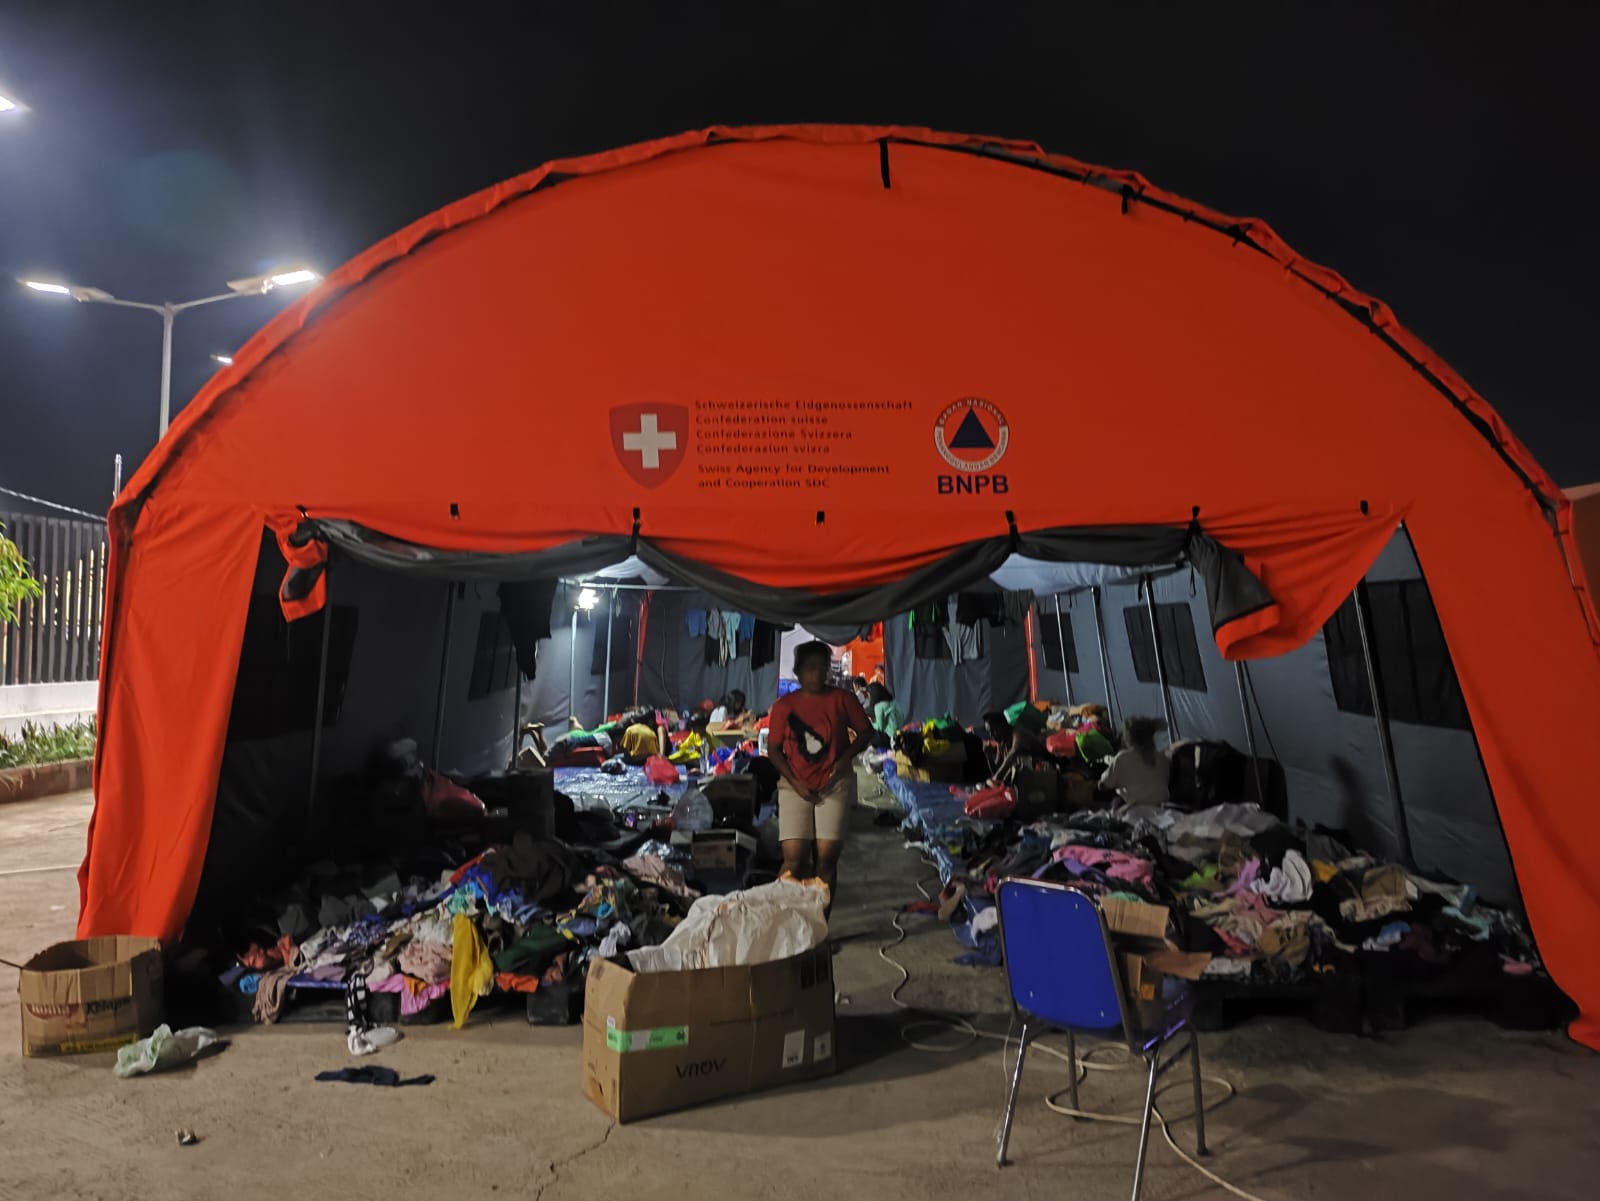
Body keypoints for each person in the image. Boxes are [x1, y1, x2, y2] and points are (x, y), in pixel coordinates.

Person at [766, 640, 872, 914]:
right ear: (799, 671)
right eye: (810, 668)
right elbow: (774, 751)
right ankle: (782, 921)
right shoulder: (784, 706)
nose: (817, 674)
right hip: (794, 785)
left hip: (834, 785)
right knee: (795, 859)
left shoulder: (842, 700)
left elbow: (866, 732)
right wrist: (796, 784)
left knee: (826, 859)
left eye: (822, 668)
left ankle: (820, 927)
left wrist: (844, 759)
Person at [1099, 716, 1172, 807]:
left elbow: (1103, 786)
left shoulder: (1122, 758)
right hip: (1161, 805)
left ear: (1129, 737)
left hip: (1134, 806)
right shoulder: (1162, 758)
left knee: (1114, 800)